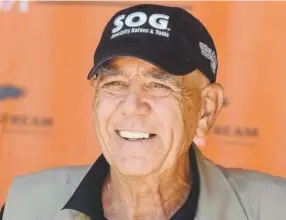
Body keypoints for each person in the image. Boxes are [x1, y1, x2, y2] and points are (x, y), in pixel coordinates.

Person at [1, 4, 286, 220]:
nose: (132, 104)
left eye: (159, 85)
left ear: (206, 108)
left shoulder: (273, 208)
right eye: (115, 83)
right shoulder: (24, 207)